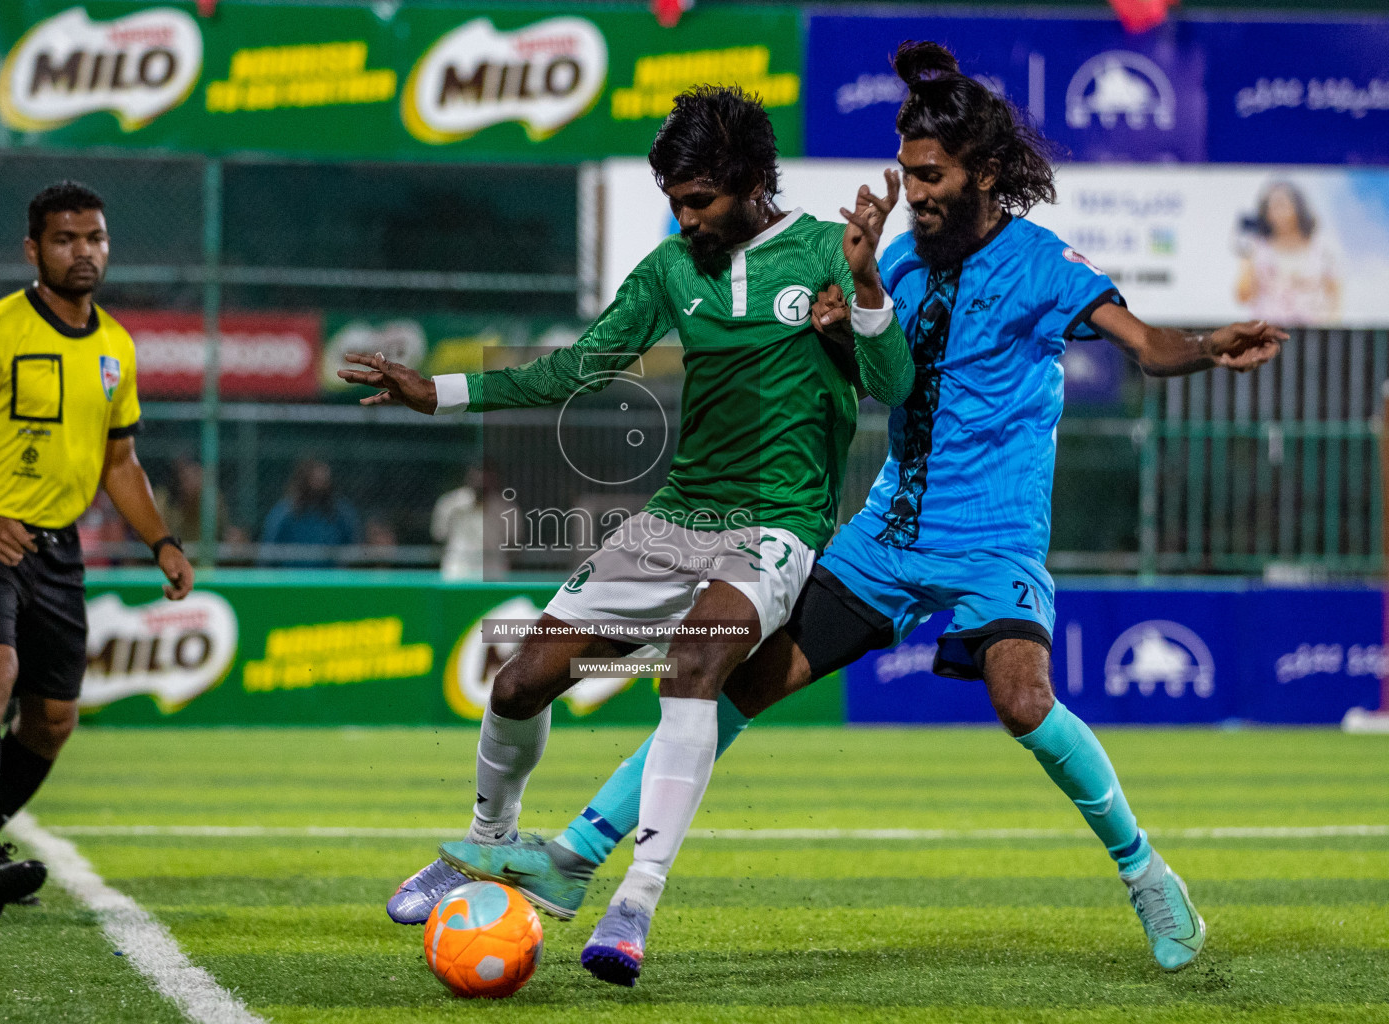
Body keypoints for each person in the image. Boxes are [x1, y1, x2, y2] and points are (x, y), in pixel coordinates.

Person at [391, 43, 1287, 986]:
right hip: (884, 540)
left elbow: (1146, 345)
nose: (917, 192)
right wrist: (848, 312)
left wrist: (1206, 347)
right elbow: (877, 373)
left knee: (1022, 702)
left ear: (983, 171)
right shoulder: (893, 259)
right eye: (907, 173)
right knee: (731, 688)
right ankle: (573, 859)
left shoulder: (1043, 265)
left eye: (932, 176)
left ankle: (1143, 869)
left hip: (992, 543)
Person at [342, 84, 914, 987]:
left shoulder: (825, 251)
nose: (685, 220)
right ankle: (482, 848)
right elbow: (578, 368)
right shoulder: (669, 271)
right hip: (676, 518)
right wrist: (440, 394)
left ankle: (634, 900)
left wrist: (870, 291)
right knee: (520, 682)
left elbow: (896, 384)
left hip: (776, 524)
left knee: (694, 660)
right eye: (674, 202)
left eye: (699, 202)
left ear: (752, 181)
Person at [0, 180, 194, 918]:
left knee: (54, 721)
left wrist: (160, 540)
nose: (83, 252)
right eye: (65, 240)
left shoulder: (116, 347)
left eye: (94, 238)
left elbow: (120, 463)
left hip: (58, 549)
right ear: (34, 250)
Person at [1234, 180, 1340, 326]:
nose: (1278, 213)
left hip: (1311, 335)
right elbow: (1243, 296)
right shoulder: (1258, 250)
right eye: (1272, 208)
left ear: (1298, 207)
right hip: (1268, 336)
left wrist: (1329, 326)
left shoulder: (1321, 249)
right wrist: (1246, 257)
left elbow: (1335, 293)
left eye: (1282, 205)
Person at [260, 458, 358, 566]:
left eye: (323, 480)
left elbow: (352, 547)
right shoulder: (285, 512)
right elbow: (269, 548)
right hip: (292, 578)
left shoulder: (340, 512)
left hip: (329, 578)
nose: (320, 484)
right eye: (315, 479)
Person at [154, 454, 245, 554]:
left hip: (204, 563)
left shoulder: (212, 499)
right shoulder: (162, 499)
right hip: (170, 560)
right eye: (182, 474)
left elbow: (223, 531)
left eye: (193, 473)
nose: (187, 479)